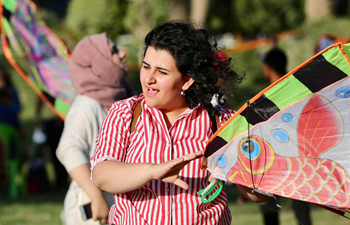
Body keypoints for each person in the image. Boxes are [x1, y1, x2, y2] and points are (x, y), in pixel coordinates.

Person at [91, 20, 271, 225]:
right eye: (146, 66)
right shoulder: (125, 113)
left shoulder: (223, 122)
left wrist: (237, 170)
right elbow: (101, 175)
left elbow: (260, 195)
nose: (149, 78)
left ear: (187, 80)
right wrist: (152, 171)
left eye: (162, 72)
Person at [56, 32, 136, 225]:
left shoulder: (124, 97)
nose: (123, 53)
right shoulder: (87, 105)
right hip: (93, 208)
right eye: (114, 51)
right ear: (97, 63)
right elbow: (68, 149)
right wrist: (96, 196)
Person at [261, 47, 312, 225]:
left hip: (274, 157)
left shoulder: (270, 93)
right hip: (296, 154)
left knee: (269, 207)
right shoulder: (296, 87)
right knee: (300, 206)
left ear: (268, 67)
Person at [0, 69, 23, 199]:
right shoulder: (10, 113)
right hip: (10, 148)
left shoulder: (9, 110)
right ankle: (14, 188)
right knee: (14, 160)